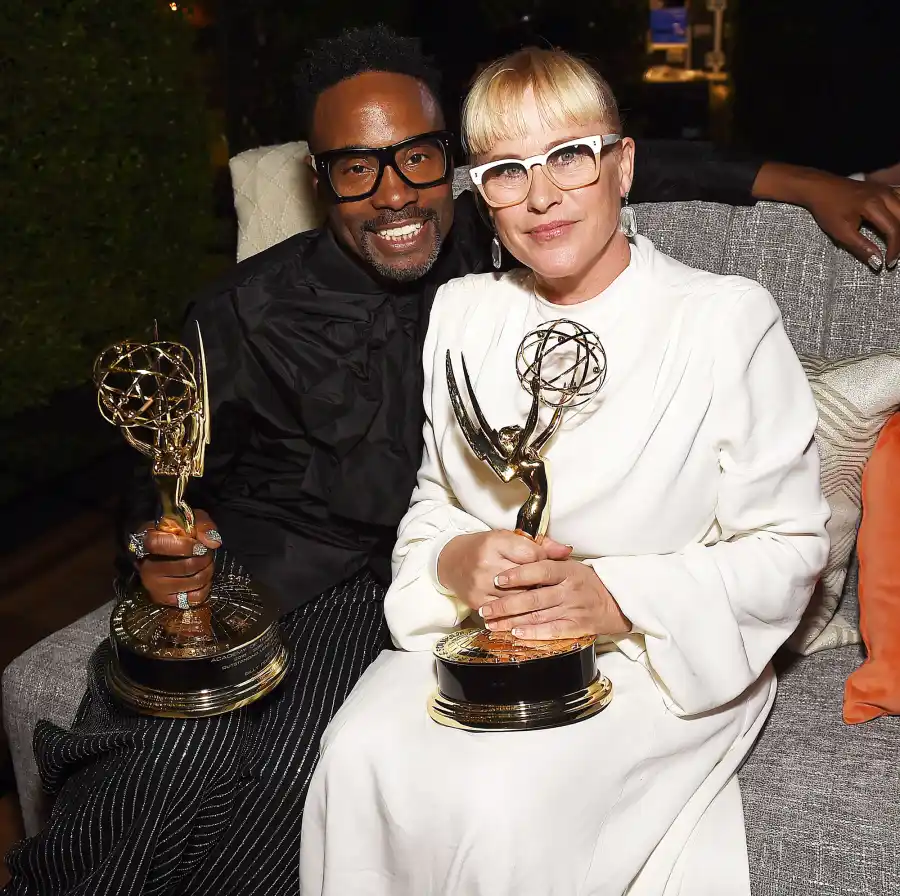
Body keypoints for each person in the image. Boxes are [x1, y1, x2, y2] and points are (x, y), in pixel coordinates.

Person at [0, 23, 890, 896]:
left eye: (418, 160)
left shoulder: (607, 283)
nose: (394, 196)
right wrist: (166, 556)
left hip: (538, 624)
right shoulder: (284, 310)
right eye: (357, 168)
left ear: (449, 171)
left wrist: (811, 182)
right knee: (222, 754)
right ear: (324, 183)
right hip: (303, 583)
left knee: (339, 780)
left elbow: (597, 154)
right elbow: (168, 490)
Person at [297, 47, 831, 895]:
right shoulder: (463, 313)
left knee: (502, 807)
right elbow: (437, 498)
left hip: (657, 656)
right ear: (482, 198)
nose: (540, 195)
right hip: (481, 642)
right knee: (355, 756)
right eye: (506, 171)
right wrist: (451, 561)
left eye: (569, 157)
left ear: (622, 167)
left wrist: (617, 597)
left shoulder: (725, 319)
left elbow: (792, 546)